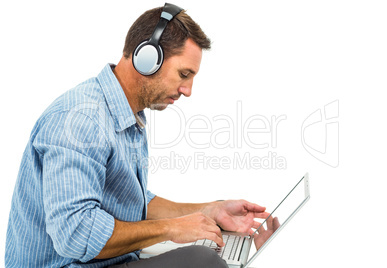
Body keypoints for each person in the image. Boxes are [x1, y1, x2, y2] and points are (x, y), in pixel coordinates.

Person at [5, 3, 272, 268]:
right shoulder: (80, 120)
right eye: (184, 74)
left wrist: (209, 210)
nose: (188, 90)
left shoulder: (127, 115)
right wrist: (170, 229)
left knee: (206, 254)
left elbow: (133, 201)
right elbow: (76, 234)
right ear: (147, 58)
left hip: (108, 261)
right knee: (203, 262)